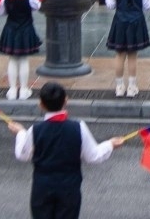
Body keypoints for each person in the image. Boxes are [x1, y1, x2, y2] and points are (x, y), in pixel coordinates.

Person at [7, 81, 126, 219]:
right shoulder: (78, 127)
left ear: (41, 105)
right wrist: (110, 144)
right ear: (66, 100)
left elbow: (23, 155)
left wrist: (21, 133)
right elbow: (93, 156)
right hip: (69, 188)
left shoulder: (35, 130)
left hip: (42, 188)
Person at [0, 0, 43, 100]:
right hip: (26, 29)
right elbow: (37, 7)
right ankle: (23, 89)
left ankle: (12, 89)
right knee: (23, 60)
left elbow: (2, 13)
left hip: (11, 28)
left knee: (12, 59)